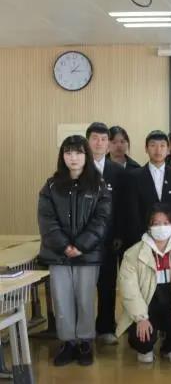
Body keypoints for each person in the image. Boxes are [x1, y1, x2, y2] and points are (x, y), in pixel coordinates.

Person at [37, 135, 111, 367]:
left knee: (85, 299)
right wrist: (64, 246)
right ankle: (68, 342)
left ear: (86, 156)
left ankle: (85, 342)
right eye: (68, 153)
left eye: (78, 152)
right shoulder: (51, 185)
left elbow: (101, 219)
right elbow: (46, 220)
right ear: (62, 157)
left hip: (87, 255)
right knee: (62, 299)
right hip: (57, 254)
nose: (73, 158)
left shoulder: (99, 185)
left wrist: (81, 245)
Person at [117, 204, 171, 365]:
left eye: (166, 223)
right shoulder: (132, 254)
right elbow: (129, 290)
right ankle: (145, 349)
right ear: (149, 226)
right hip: (146, 304)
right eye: (156, 223)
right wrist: (140, 318)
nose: (161, 228)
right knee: (142, 337)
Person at [86, 122, 125, 346]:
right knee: (83, 287)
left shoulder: (117, 171)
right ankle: (83, 329)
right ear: (87, 142)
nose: (99, 143)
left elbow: (121, 207)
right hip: (83, 240)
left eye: (103, 139)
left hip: (109, 240)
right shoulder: (79, 167)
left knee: (108, 285)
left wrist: (119, 234)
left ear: (108, 144)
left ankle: (106, 327)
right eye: (95, 139)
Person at [123, 130, 171, 252]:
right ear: (146, 149)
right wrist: (140, 237)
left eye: (162, 146)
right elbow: (132, 211)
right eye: (153, 145)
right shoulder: (134, 176)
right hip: (143, 239)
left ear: (168, 149)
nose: (158, 150)